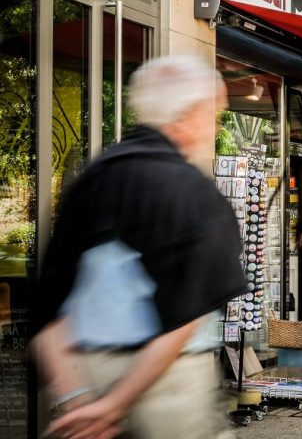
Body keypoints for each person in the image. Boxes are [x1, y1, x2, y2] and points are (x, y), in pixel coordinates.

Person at [31, 55, 246, 439]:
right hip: (168, 387)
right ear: (190, 114)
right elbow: (183, 320)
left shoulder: (91, 179)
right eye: (214, 113)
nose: (214, 126)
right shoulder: (194, 193)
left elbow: (48, 315)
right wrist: (115, 406)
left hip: (87, 373)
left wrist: (79, 400)